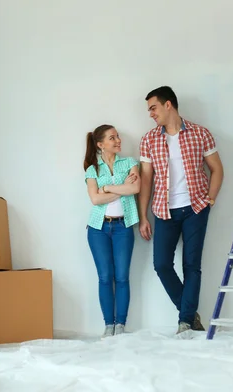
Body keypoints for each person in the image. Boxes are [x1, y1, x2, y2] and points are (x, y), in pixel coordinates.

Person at [137, 86, 224, 335]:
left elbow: (217, 169)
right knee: (161, 264)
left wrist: (211, 198)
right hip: (164, 211)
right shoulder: (149, 139)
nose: (151, 113)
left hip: (195, 207)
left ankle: (184, 322)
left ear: (168, 105)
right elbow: (146, 181)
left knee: (191, 265)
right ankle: (189, 314)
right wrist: (143, 216)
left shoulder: (200, 134)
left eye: (153, 107)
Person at [84, 124, 141, 338]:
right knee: (105, 277)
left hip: (122, 227)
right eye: (112, 138)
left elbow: (135, 188)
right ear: (100, 144)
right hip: (98, 228)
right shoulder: (92, 169)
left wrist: (107, 188)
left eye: (118, 136)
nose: (118, 140)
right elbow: (95, 199)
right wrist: (121, 188)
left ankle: (121, 325)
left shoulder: (129, 163)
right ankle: (109, 325)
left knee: (123, 277)